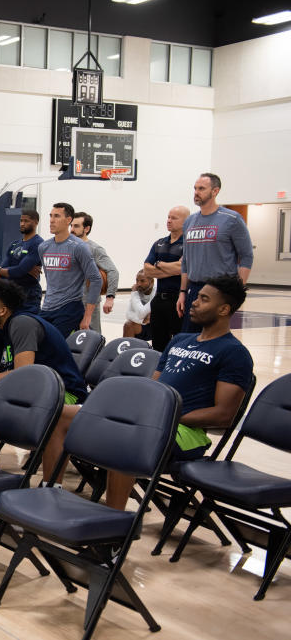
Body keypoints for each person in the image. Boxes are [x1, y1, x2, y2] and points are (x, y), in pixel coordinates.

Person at [102, 276, 253, 510]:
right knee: (69, 416)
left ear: (224, 309)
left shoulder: (234, 353)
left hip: (186, 432)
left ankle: (111, 528)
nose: (194, 302)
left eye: (204, 299)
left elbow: (223, 415)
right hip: (152, 420)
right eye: (197, 296)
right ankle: (52, 493)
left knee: (125, 440)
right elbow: (154, 388)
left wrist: (168, 417)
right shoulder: (180, 340)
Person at [0, 279, 88, 489]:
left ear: (3, 310)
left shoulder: (22, 324)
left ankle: (51, 489)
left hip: (64, 393)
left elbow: (24, 374)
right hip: (32, 393)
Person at [177, 173, 254, 333]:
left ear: (215, 191)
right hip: (195, 288)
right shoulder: (190, 222)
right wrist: (183, 292)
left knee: (213, 336)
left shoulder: (231, 219)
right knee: (189, 337)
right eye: (195, 188)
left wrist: (236, 291)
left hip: (219, 290)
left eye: (202, 188)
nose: (196, 192)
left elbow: (246, 256)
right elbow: (186, 261)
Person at [37, 203, 102, 338]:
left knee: (53, 348)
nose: (51, 220)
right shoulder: (44, 247)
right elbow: (51, 279)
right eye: (51, 216)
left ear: (68, 220)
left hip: (69, 307)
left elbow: (96, 279)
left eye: (57, 216)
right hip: (47, 307)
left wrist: (87, 316)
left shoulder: (79, 247)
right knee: (39, 345)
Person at [143, 206, 188, 351]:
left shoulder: (189, 243)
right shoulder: (159, 243)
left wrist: (159, 265)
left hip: (179, 301)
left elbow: (184, 269)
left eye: (174, 218)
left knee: (180, 342)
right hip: (159, 300)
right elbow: (147, 271)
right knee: (158, 342)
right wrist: (175, 268)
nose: (169, 221)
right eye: (168, 217)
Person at [71, 212, 119, 333]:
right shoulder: (66, 247)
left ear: (86, 228)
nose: (72, 229)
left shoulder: (94, 249)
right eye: (71, 225)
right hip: (69, 302)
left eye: (76, 226)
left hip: (88, 303)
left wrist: (110, 297)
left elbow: (113, 271)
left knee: (91, 339)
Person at [0, 209, 43, 313]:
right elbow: (4, 270)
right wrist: (1, 271)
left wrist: (3, 271)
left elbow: (20, 270)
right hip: (12, 293)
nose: (22, 224)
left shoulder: (38, 243)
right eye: (21, 221)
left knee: (26, 325)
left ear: (36, 222)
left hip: (29, 295)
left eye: (26, 221)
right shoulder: (15, 244)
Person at [123, 270, 156, 339]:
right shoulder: (137, 292)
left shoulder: (157, 292)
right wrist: (142, 320)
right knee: (128, 325)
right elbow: (128, 314)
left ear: (152, 282)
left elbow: (141, 313)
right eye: (137, 281)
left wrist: (134, 294)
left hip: (158, 327)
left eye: (142, 281)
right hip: (143, 325)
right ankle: (128, 349)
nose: (138, 284)